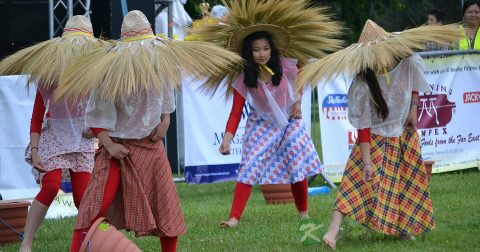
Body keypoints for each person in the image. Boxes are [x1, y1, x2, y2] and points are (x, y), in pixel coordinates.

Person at [52, 10, 243, 252]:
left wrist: (164, 123)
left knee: (167, 211)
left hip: (150, 147)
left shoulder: (158, 66)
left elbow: (166, 108)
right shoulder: (110, 74)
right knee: (93, 208)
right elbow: (96, 116)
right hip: (116, 150)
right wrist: (109, 145)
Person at [296, 20, 460, 250]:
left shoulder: (409, 62)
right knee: (353, 185)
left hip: (403, 136)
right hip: (373, 140)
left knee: (405, 183)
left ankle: (403, 228)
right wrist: (366, 162)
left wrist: (413, 108)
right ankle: (332, 232)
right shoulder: (363, 85)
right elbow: (363, 127)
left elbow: (415, 85)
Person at [189, 0, 343, 228]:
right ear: (249, 52)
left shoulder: (287, 66)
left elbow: (300, 79)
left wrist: (298, 102)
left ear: (272, 49)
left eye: (265, 48)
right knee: (249, 165)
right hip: (262, 123)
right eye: (256, 50)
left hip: (290, 121)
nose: (261, 54)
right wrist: (228, 138)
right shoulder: (243, 78)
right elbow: (235, 112)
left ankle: (304, 215)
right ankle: (234, 218)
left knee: (296, 163)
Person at [0, 15, 101, 252]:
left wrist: (98, 133)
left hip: (83, 140)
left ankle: (89, 244)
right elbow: (37, 116)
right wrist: (35, 150)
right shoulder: (49, 75)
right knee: (51, 184)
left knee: (82, 197)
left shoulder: (94, 76)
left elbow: (102, 113)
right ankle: (26, 242)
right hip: (54, 134)